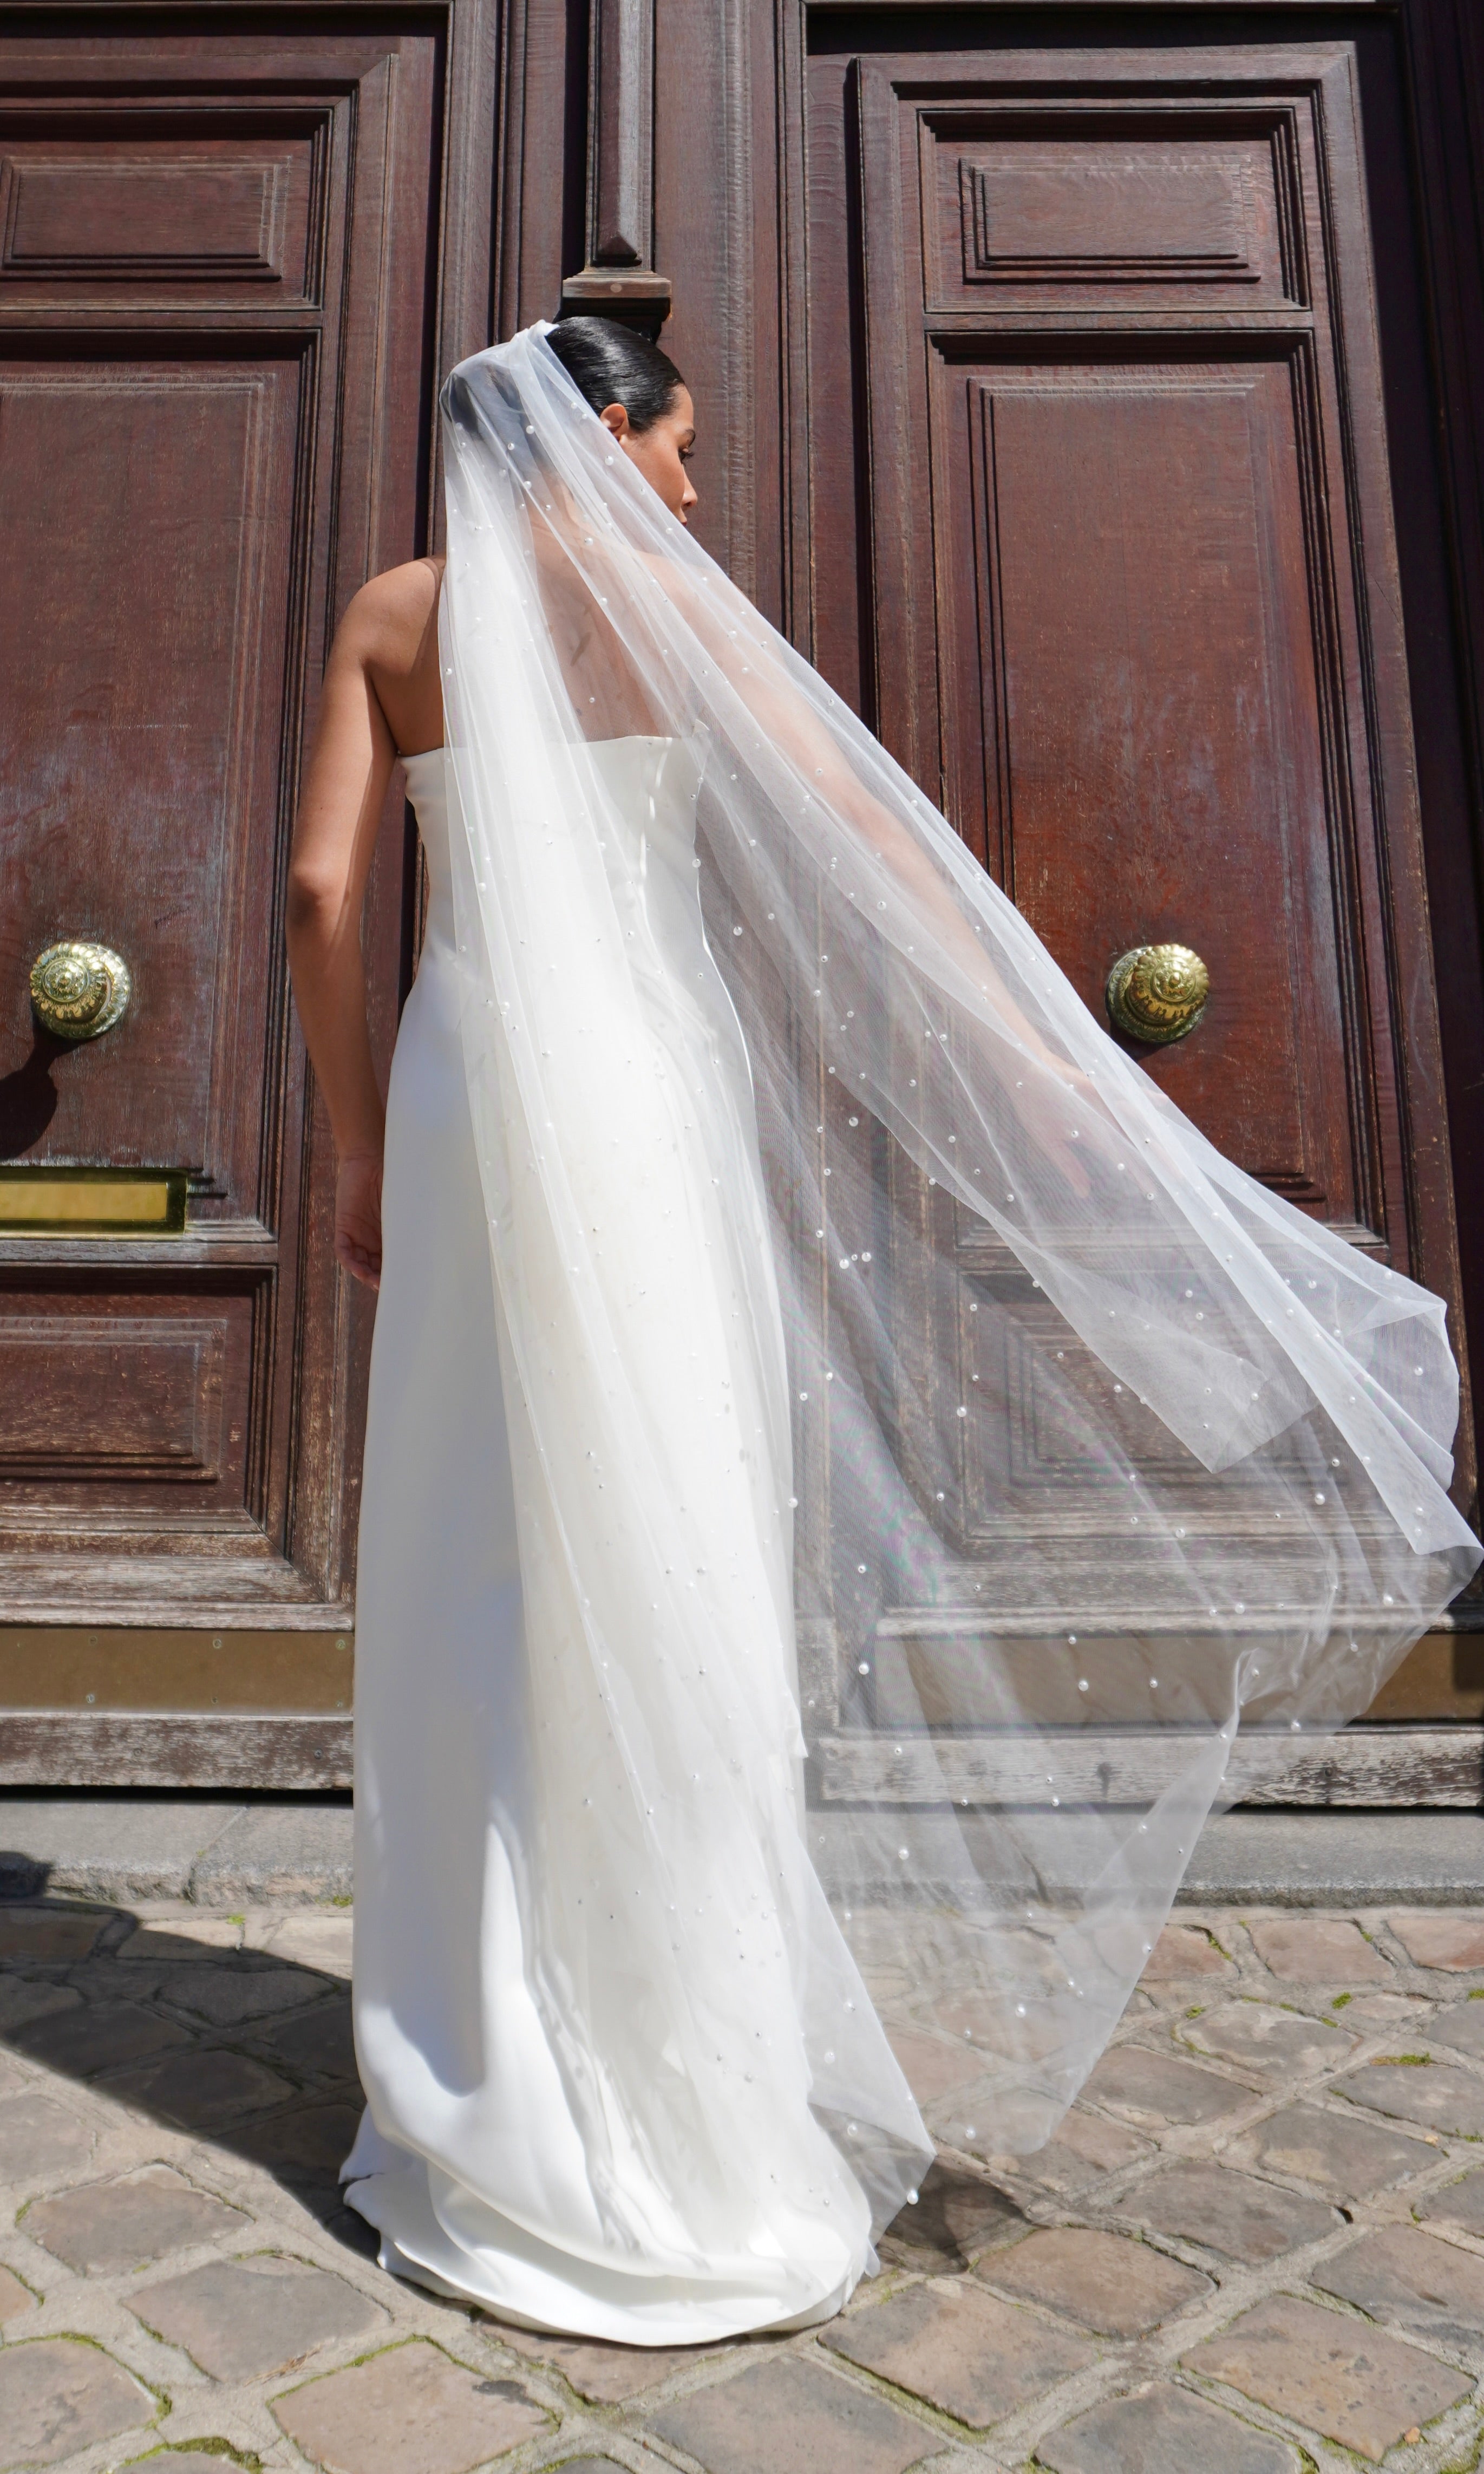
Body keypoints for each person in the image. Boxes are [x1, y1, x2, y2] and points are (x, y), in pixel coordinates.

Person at [286, 316, 1480, 2342]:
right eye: (676, 443)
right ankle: (692, 2074)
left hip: (477, 1087)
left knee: (478, 1555)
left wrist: (354, 1152)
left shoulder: (401, 612)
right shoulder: (680, 621)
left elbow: (326, 886)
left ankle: (486, 2056)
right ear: (598, 431)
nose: (687, 488)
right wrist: (1044, 1074)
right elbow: (868, 853)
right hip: (645, 1102)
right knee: (670, 1560)